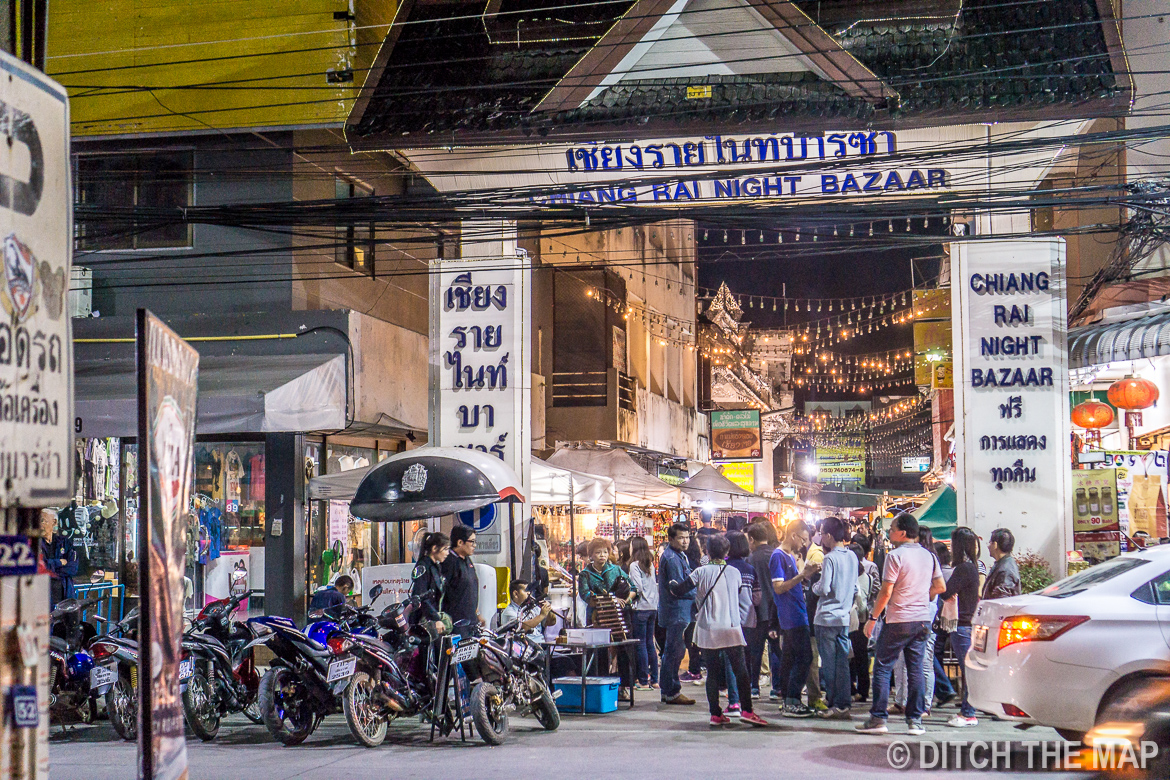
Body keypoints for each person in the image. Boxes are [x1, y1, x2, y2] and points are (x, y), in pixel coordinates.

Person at [857, 513, 945, 736]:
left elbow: (886, 592)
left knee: (883, 667)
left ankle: (878, 718)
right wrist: (921, 597)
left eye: (892, 528)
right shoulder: (929, 556)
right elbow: (940, 586)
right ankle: (915, 720)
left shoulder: (895, 556)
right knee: (915, 668)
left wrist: (873, 618)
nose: (889, 532)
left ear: (902, 532)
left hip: (898, 620)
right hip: (922, 620)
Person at [669, 534, 768, 727]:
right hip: (730, 627)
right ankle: (746, 710)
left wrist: (672, 585)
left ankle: (715, 713)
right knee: (741, 671)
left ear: (707, 551)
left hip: (707, 628)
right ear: (727, 552)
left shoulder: (700, 572)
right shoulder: (734, 573)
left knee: (712, 673)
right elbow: (738, 593)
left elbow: (680, 590)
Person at [771, 520, 819, 718]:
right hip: (792, 616)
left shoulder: (789, 556)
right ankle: (792, 700)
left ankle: (788, 700)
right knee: (805, 657)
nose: (804, 544)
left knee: (789, 659)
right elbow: (779, 587)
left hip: (796, 614)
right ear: (793, 536)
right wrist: (803, 575)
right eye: (804, 539)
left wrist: (804, 575)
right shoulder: (778, 556)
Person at [812, 516, 858, 719]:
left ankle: (833, 702)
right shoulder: (852, 556)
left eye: (822, 533)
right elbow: (854, 587)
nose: (820, 537)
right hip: (843, 618)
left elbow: (824, 588)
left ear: (829, 536)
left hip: (826, 617)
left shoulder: (830, 558)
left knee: (829, 664)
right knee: (843, 664)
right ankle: (843, 704)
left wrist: (812, 585)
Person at [943, 527, 983, 727]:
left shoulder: (964, 568)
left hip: (963, 625)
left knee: (967, 670)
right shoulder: (972, 567)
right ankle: (968, 711)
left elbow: (946, 591)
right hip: (967, 624)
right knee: (968, 669)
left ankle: (968, 713)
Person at [658, 523, 696, 705]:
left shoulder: (678, 555)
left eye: (687, 537)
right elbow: (677, 589)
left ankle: (668, 690)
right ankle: (672, 690)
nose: (685, 541)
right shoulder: (672, 558)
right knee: (674, 651)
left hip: (679, 611)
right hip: (677, 611)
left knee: (672, 651)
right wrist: (698, 592)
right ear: (671, 539)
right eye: (681, 538)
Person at [720, 531, 755, 716]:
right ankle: (745, 701)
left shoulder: (724, 568)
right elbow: (757, 597)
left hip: (729, 620)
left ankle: (734, 702)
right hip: (748, 619)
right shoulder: (749, 569)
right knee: (744, 662)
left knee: (730, 662)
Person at [746, 522, 782, 699]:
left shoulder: (751, 559)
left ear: (751, 539)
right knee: (776, 650)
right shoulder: (777, 555)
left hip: (757, 611)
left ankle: (754, 687)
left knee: (756, 650)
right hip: (776, 610)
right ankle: (777, 688)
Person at [626, 536, 660, 690]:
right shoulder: (650, 564)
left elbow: (637, 588)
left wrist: (628, 600)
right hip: (653, 607)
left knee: (640, 644)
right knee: (649, 643)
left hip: (641, 608)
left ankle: (643, 681)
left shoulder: (634, 565)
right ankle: (654, 680)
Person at [441, 524, 483, 638]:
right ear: (460, 542)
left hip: (471, 621)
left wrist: (477, 613)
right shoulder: (448, 562)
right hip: (457, 624)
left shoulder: (467, 560)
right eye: (472, 542)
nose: (474, 545)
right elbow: (440, 592)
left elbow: (469, 589)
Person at [410, 532, 450, 636]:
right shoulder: (423, 567)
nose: (447, 553)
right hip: (423, 622)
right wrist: (435, 618)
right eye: (445, 549)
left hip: (432, 619)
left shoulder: (436, 566)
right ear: (434, 548)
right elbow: (420, 595)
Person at [848, 542, 873, 703]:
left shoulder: (851, 577)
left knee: (850, 656)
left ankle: (852, 688)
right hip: (863, 619)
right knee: (861, 655)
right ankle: (862, 690)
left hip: (852, 619)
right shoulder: (869, 577)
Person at [41, 509, 77, 606]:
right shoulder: (35, 544)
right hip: (43, 598)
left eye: (43, 521)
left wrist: (50, 567)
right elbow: (39, 567)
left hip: (65, 597)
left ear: (54, 522)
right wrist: (59, 562)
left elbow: (73, 568)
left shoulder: (64, 542)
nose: (41, 525)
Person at [983, 528, 1022, 599]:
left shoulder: (1005, 570)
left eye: (990, 543)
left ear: (995, 545)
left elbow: (1001, 601)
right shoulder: (1004, 564)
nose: (988, 546)